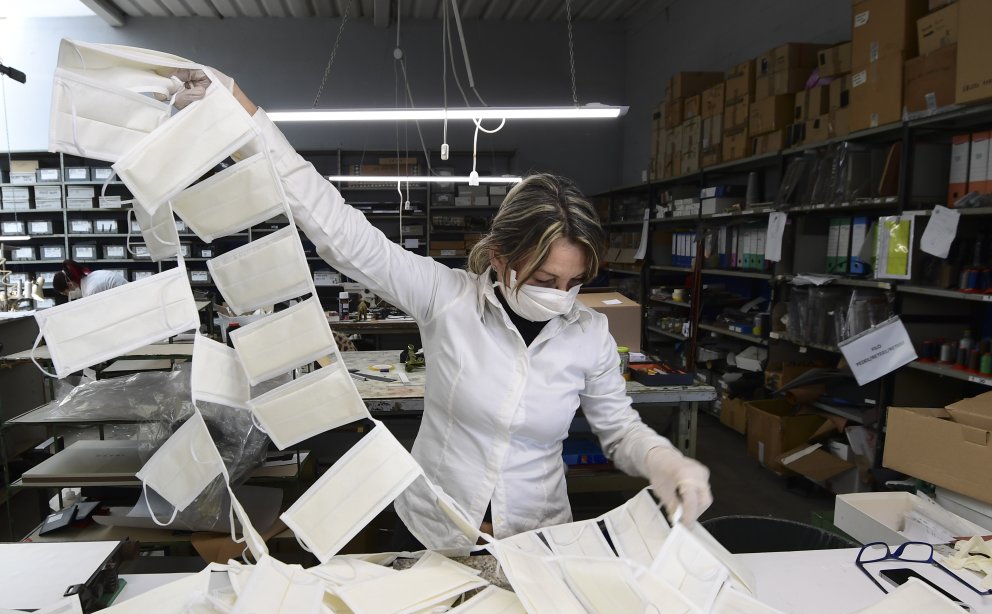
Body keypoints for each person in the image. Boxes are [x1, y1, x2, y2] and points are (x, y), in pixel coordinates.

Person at [177, 74, 713, 551]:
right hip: (433, 529)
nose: (561, 296)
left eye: (577, 282)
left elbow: (618, 430)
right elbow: (340, 231)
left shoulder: (589, 333)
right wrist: (246, 116)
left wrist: (664, 460)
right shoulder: (446, 297)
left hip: (538, 538)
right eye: (546, 280)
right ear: (501, 259)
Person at [52, 260, 127, 300]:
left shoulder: (91, 291)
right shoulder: (91, 277)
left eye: (66, 293)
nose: (68, 296)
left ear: (70, 285)